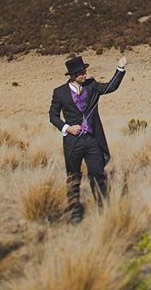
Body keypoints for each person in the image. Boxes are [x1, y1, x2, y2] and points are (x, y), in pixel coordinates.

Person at [49, 55, 127, 224]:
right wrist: (67, 128)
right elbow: (53, 116)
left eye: (85, 71)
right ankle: (75, 211)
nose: (84, 75)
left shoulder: (91, 86)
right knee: (73, 177)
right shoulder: (60, 92)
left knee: (98, 174)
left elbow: (110, 87)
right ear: (72, 75)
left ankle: (103, 208)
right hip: (73, 142)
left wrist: (120, 68)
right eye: (81, 73)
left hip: (92, 140)